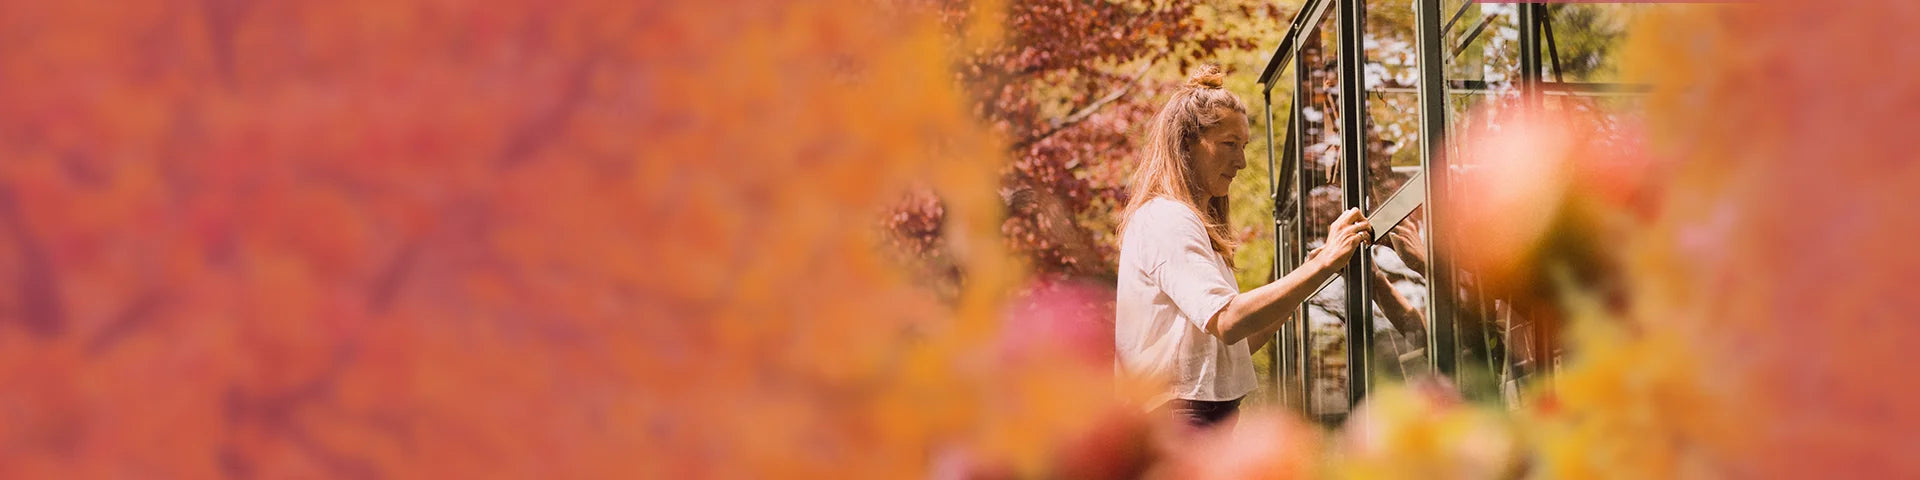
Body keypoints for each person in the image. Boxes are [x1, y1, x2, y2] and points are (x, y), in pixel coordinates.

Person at [1114, 64, 1370, 431]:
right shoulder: (1166, 219)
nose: (1242, 161)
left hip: (1200, 416)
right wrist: (1323, 264)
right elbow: (1230, 322)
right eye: (1229, 145)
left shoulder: (1194, 225)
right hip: (1178, 420)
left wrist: (1312, 274)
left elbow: (1239, 343)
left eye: (1244, 146)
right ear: (1187, 142)